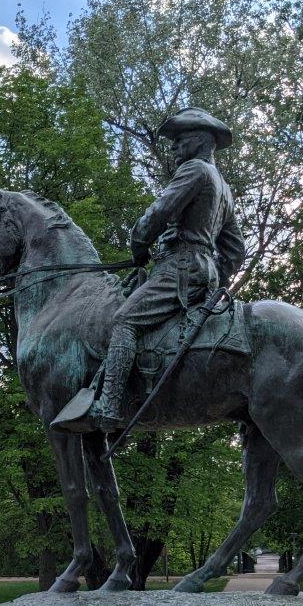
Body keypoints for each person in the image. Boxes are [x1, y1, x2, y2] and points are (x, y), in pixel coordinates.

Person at [89, 107, 247, 431]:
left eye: (179, 140)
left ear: (200, 141)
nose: (173, 147)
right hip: (203, 271)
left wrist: (138, 245)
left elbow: (159, 212)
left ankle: (109, 405)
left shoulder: (195, 170)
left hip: (180, 267)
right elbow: (236, 250)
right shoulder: (225, 189)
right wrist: (217, 280)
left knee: (124, 320)